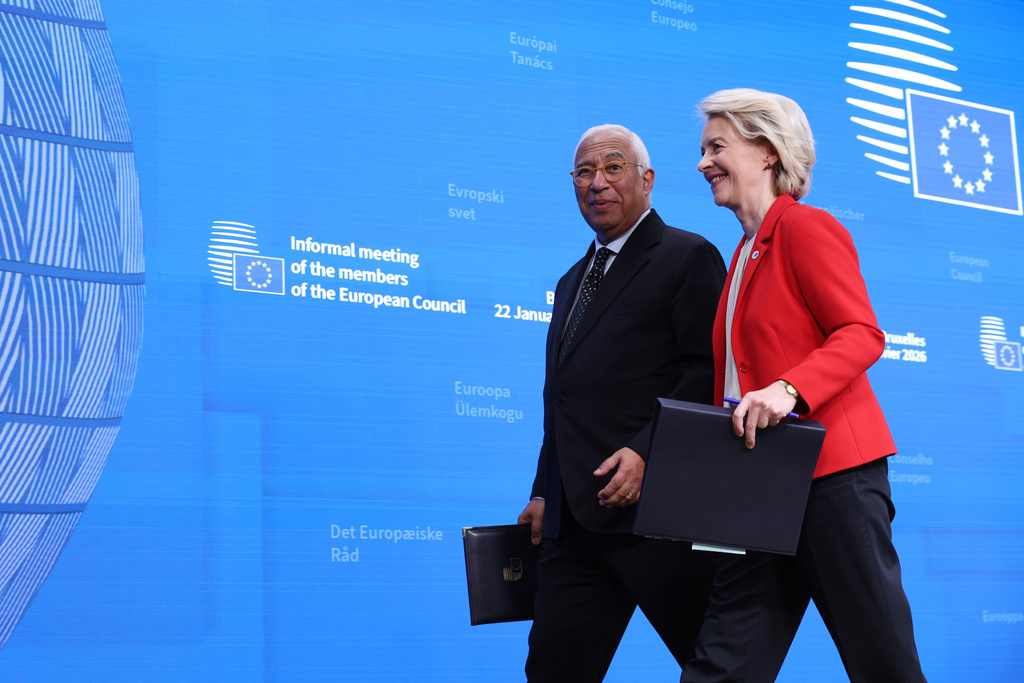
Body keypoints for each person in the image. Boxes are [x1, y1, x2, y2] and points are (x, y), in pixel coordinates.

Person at [681, 88, 927, 682]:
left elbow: (861, 332)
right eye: (703, 148)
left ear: (767, 152)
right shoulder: (742, 252)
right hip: (758, 490)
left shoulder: (806, 229)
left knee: (883, 665)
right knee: (722, 667)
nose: (703, 162)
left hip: (832, 481)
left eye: (718, 146)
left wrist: (787, 391)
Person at [518, 124, 727, 682]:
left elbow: (706, 375)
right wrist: (545, 490)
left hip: (658, 521)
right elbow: (562, 400)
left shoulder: (688, 256)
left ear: (647, 179)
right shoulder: (570, 281)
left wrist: (646, 451)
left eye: (613, 168)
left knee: (721, 671)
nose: (597, 183)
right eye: (584, 172)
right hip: (576, 524)